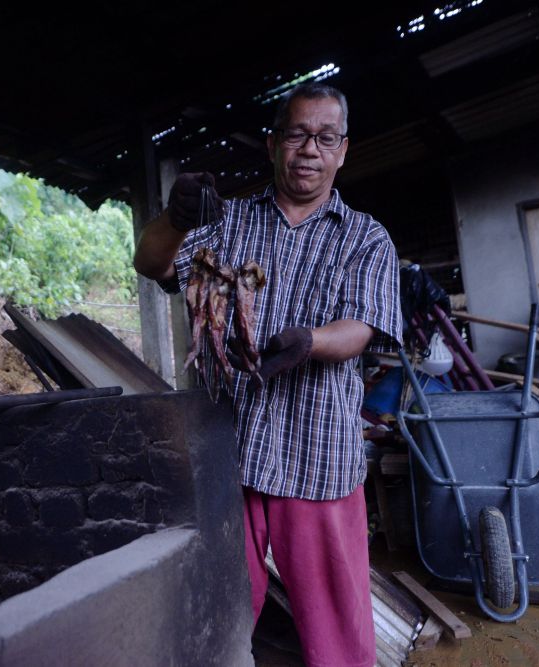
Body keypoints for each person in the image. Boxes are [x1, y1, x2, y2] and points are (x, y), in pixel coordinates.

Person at [133, 82, 402, 667]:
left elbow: (362, 326)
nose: (309, 149)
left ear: (342, 150)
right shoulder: (225, 225)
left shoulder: (366, 237)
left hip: (319, 456)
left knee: (337, 633)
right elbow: (152, 261)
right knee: (218, 613)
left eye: (324, 137)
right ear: (272, 143)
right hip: (232, 452)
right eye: (297, 134)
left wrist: (310, 341)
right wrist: (176, 219)